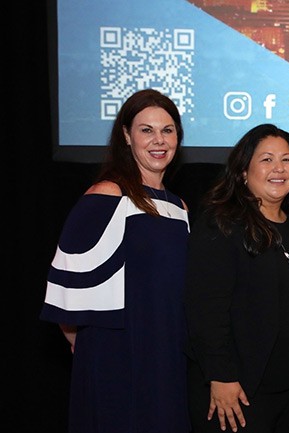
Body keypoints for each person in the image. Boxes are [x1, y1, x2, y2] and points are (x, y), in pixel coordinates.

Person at [40, 88, 190, 433]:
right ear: (126, 135)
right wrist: (90, 348)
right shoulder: (107, 194)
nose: (159, 140)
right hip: (118, 351)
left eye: (167, 130)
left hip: (168, 348)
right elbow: (68, 280)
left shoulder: (180, 207)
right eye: (146, 130)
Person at [184, 123, 289, 433]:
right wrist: (221, 375)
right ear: (243, 172)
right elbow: (205, 307)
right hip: (237, 392)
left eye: (286, 159)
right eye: (266, 159)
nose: (278, 168)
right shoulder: (221, 223)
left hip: (288, 391)